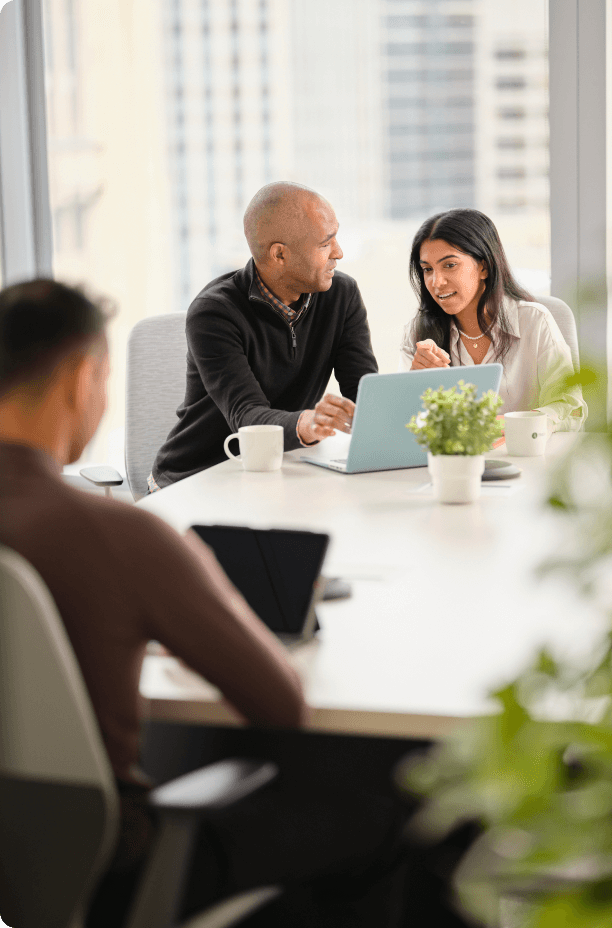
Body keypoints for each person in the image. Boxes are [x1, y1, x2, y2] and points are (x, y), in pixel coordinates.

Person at [0, 279, 464, 928]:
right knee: (407, 781)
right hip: (112, 874)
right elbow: (279, 703)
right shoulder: (123, 537)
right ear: (82, 380)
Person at [150, 181, 378, 490]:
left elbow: (363, 394)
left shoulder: (342, 295)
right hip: (197, 479)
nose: (339, 252)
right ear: (279, 255)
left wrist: (400, 394)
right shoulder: (214, 312)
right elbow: (247, 416)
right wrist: (308, 423)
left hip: (278, 473)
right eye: (326, 243)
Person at [400, 208, 587, 431]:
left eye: (450, 265)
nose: (436, 282)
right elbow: (407, 426)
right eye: (427, 269)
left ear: (484, 267)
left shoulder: (534, 321)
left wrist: (508, 425)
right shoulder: (418, 334)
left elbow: (570, 406)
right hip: (454, 463)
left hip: (525, 458)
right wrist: (416, 383)